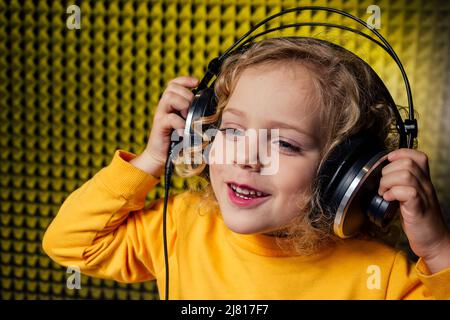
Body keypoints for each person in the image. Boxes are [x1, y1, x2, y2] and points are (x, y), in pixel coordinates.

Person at [42, 37, 450, 299]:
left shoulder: (379, 276)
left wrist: (436, 249)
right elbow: (69, 243)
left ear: (343, 172)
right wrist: (150, 161)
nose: (246, 156)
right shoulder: (182, 226)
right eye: (233, 130)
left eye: (285, 143)